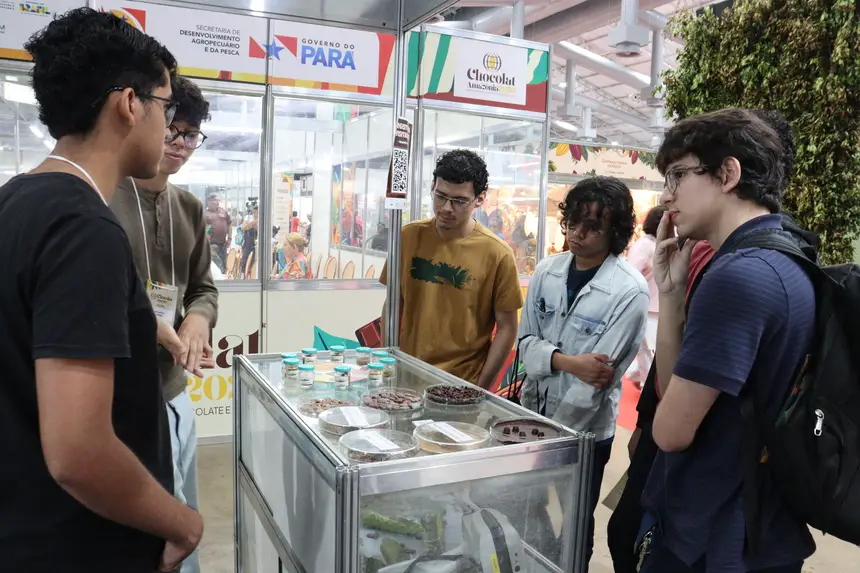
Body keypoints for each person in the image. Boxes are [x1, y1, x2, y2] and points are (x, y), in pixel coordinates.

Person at [0, 8, 202, 573]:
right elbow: (79, 452)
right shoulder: (84, 229)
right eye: (166, 108)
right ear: (129, 104)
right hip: (79, 543)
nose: (170, 130)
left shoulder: (15, 201)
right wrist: (181, 522)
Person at [608, 108, 804, 573]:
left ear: (728, 174)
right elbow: (671, 387)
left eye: (678, 175)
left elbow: (671, 432)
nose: (667, 195)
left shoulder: (738, 275)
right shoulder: (786, 253)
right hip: (756, 519)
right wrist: (672, 294)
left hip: (714, 532)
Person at [109, 75, 218, 573]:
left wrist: (197, 320)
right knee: (154, 524)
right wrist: (150, 325)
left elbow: (203, 287)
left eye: (191, 135)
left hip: (176, 388)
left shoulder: (190, 208)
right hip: (121, 394)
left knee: (184, 503)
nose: (179, 144)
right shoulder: (103, 199)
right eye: (172, 129)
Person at [517, 176, 649, 568]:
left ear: (616, 232)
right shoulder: (547, 271)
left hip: (586, 433)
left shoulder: (629, 290)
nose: (577, 233)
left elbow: (595, 384)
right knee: (528, 508)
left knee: (575, 521)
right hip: (533, 417)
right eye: (573, 222)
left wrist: (555, 439)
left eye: (592, 227)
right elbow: (525, 343)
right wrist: (569, 362)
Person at [380, 149, 522, 388]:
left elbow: (507, 328)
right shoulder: (408, 236)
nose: (446, 208)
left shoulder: (497, 254)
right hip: (408, 375)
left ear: (479, 199)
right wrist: (389, 361)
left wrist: (481, 388)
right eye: (440, 196)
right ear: (433, 187)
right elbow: (393, 303)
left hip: (461, 383)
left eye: (459, 201)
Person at [625, 205, 667, 388]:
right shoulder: (644, 245)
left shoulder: (658, 244)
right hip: (648, 307)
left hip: (658, 307)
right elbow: (632, 275)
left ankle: (638, 376)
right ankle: (648, 386)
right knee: (649, 350)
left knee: (651, 349)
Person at [205, 193, 231, 272]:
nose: (217, 202)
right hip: (211, 245)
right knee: (216, 267)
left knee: (223, 266)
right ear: (209, 201)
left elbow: (229, 224)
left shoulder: (223, 212)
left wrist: (229, 238)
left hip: (223, 244)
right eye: (215, 200)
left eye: (217, 200)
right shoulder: (204, 214)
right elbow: (202, 229)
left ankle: (223, 276)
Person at [240, 203, 258, 279]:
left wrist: (256, 226)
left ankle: (252, 275)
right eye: (254, 211)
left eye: (257, 212)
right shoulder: (248, 217)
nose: (255, 213)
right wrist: (250, 224)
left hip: (256, 241)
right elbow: (242, 228)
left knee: (254, 258)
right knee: (245, 257)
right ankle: (243, 274)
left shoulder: (261, 219)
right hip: (247, 241)